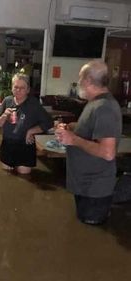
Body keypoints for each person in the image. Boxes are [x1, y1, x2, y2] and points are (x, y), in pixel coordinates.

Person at [55, 59, 122, 225]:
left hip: (95, 190)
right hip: (85, 185)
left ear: (88, 81)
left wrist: (73, 139)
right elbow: (92, 128)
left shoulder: (104, 107)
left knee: (91, 237)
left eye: (80, 78)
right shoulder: (95, 103)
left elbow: (107, 152)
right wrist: (72, 127)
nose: (78, 82)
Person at [0, 73, 53, 174]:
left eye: (22, 88)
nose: (18, 90)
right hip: (7, 145)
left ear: (28, 90)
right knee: (6, 178)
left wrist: (31, 131)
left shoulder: (33, 104)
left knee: (24, 178)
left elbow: (48, 122)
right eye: (16, 87)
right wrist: (4, 116)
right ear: (12, 87)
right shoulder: (7, 101)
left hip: (25, 146)